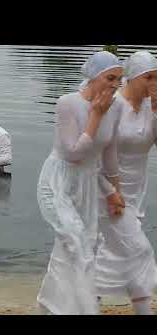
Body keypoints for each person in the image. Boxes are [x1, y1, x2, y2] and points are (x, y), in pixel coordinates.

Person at [36, 51, 125, 314]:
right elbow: (73, 154)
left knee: (83, 245)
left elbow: (109, 154)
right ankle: (82, 308)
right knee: (74, 241)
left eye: (119, 80)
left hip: (89, 184)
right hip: (58, 183)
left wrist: (114, 193)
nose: (115, 85)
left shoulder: (116, 106)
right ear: (94, 77)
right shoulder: (67, 103)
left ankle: (52, 305)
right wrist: (96, 115)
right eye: (110, 78)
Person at [95, 51, 157, 315]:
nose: (154, 83)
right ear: (131, 78)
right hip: (105, 192)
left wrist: (156, 111)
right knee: (139, 251)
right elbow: (94, 156)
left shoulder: (149, 108)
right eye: (149, 77)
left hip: (135, 195)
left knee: (107, 255)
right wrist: (110, 193)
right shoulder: (113, 105)